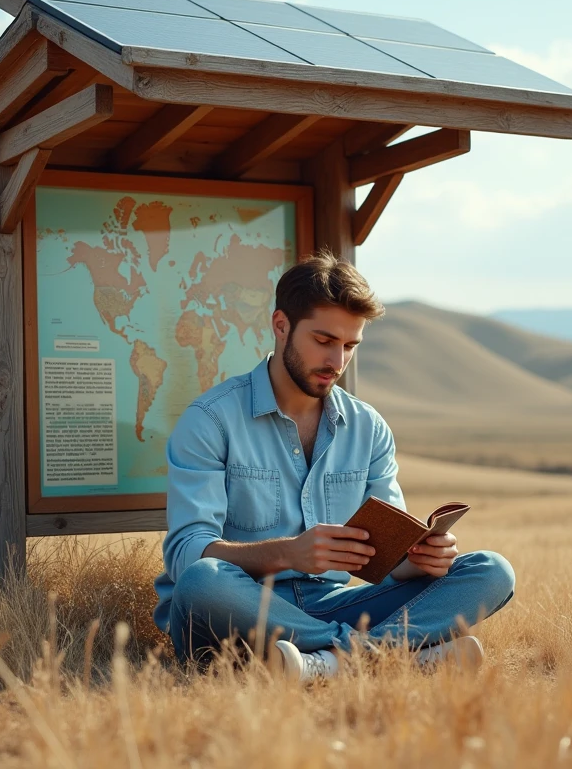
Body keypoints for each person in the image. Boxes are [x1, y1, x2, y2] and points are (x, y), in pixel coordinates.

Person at [153, 249, 516, 680]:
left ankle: (324, 663)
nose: (337, 362)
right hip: (238, 610)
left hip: (333, 603)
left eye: (349, 346)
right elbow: (186, 554)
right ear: (280, 326)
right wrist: (290, 552)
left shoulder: (369, 427)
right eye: (324, 341)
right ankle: (395, 656)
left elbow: (386, 561)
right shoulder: (210, 419)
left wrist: (419, 559)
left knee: (491, 570)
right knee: (201, 581)